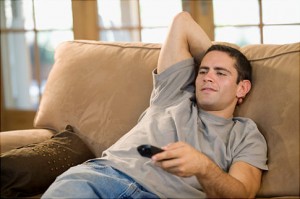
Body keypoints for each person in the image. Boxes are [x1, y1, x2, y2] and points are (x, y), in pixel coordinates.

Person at [42, 12, 268, 198]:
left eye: (220, 73)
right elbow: (182, 22)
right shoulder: (173, 93)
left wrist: (203, 167)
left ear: (242, 88)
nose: (208, 77)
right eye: (203, 71)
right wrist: (217, 58)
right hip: (102, 178)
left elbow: (243, 193)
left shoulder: (246, 134)